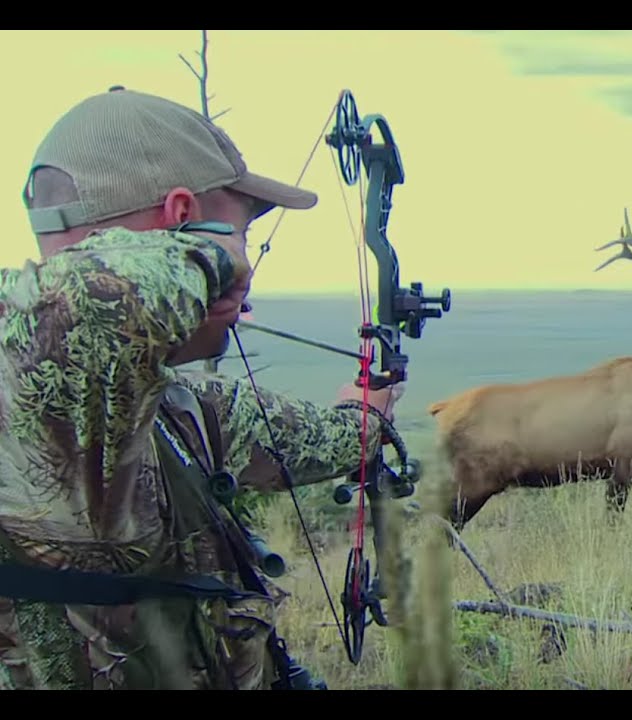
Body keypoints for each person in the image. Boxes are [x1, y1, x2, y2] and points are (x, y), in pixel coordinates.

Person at [0, 86, 404, 690]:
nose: (245, 269)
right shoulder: (32, 367)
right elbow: (77, 306)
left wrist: (364, 412)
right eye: (238, 235)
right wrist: (212, 255)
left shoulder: (163, 406)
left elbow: (299, 438)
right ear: (183, 219)